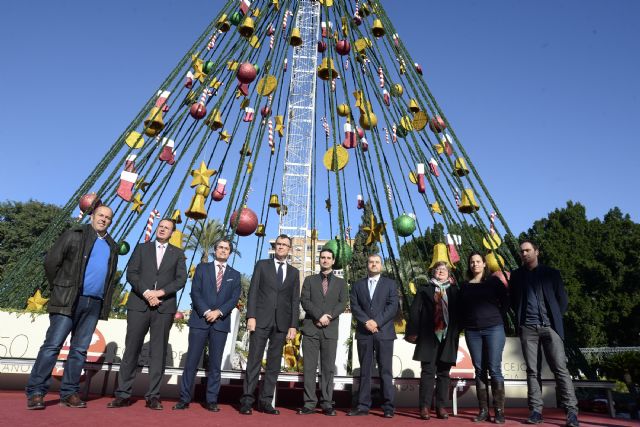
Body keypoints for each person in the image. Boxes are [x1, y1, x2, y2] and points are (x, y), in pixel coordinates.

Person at [26, 205, 119, 410]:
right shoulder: (74, 235)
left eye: (108, 217)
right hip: (68, 299)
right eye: (100, 215)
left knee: (79, 351)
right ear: (92, 216)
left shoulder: (112, 246)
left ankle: (69, 393)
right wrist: (60, 287)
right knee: (52, 346)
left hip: (93, 303)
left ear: (111, 221)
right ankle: (36, 392)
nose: (103, 219)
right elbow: (51, 262)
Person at [108, 218, 187, 410]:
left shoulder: (177, 254)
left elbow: (181, 279)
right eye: (160, 226)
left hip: (164, 306)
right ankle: (123, 394)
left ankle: (153, 396)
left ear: (172, 233)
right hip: (139, 305)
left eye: (167, 228)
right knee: (131, 349)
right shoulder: (142, 248)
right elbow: (131, 274)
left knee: (158, 353)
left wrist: (160, 293)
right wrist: (146, 293)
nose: (162, 230)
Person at [509, 240, 579, 427]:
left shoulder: (552, 274)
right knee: (532, 371)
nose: (524, 254)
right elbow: (513, 301)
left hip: (550, 327)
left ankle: (571, 412)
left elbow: (562, 301)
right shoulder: (516, 276)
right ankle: (536, 411)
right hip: (528, 328)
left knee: (561, 369)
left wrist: (554, 319)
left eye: (528, 250)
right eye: (522, 251)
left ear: (537, 252)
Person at [173, 238, 241, 412]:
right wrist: (206, 312)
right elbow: (195, 292)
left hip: (220, 323)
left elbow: (234, 299)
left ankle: (211, 400)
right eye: (220, 247)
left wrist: (218, 312)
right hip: (199, 321)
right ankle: (184, 398)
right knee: (192, 362)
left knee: (215, 364)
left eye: (227, 248)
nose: (223, 250)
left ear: (230, 252)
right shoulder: (202, 268)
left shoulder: (235, 275)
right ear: (215, 249)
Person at [239, 234, 300, 415]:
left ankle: (265, 402)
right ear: (275, 247)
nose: (281, 247)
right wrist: (251, 316)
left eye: (284, 245)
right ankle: (247, 401)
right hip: (260, 321)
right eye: (278, 244)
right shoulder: (262, 265)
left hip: (282, 324)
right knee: (254, 361)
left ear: (289, 249)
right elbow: (253, 291)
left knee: (274, 364)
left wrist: (293, 325)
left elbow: (294, 301)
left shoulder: (294, 273)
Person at [405, 261, 460, 420]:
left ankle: (441, 407)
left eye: (444, 269)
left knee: (444, 373)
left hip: (448, 337)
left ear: (448, 273)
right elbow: (415, 311)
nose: (441, 271)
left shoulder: (455, 291)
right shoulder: (424, 289)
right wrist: (412, 332)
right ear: (433, 272)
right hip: (429, 337)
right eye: (438, 269)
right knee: (428, 372)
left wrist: (457, 331)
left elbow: (460, 313)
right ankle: (424, 407)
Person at [459, 252, 509, 423]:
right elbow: (461, 309)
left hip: (494, 329)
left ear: (485, 264)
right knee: (479, 370)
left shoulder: (494, 282)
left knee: (494, 369)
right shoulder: (464, 286)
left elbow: (506, 302)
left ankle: (500, 411)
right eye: (472, 262)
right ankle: (483, 410)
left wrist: (496, 317)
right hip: (472, 332)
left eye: (478, 261)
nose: (475, 264)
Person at [297, 248, 348, 416]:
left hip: (330, 330)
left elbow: (342, 303)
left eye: (328, 258)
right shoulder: (309, 280)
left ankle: (327, 403)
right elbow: (305, 300)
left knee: (327, 369)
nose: (325, 260)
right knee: (309, 368)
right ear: (319, 260)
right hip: (311, 328)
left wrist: (329, 316)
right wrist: (319, 316)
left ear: (333, 261)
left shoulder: (341, 283)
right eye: (322, 257)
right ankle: (309, 403)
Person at [348, 254, 399, 418]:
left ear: (381, 266)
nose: (374, 264)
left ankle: (388, 407)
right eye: (371, 262)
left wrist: (376, 322)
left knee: (386, 370)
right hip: (364, 333)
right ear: (367, 265)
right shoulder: (357, 285)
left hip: (384, 333)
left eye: (377, 262)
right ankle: (363, 406)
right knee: (365, 371)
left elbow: (393, 307)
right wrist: (366, 322)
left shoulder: (390, 284)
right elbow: (355, 307)